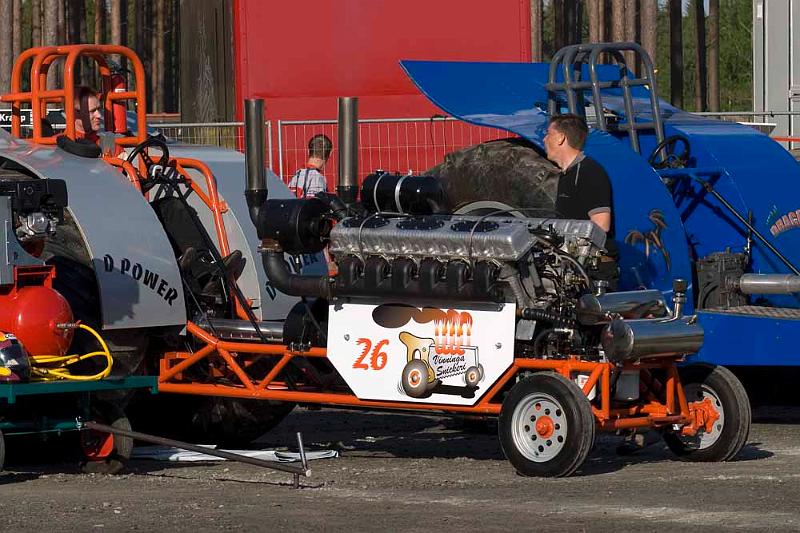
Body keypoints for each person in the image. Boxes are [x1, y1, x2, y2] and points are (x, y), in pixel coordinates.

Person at [543, 113, 618, 287]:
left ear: (561, 138)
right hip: (573, 266)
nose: (545, 139)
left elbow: (601, 225)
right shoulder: (566, 174)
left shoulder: (589, 172)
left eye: (548, 134)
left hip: (593, 272)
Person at [289, 134, 333, 198]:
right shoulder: (317, 178)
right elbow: (314, 205)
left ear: (308, 151)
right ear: (330, 154)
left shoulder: (296, 175)